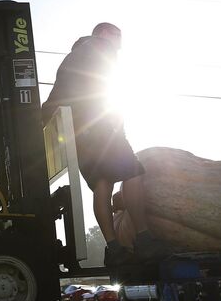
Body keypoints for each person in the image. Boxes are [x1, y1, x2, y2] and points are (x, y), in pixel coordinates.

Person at [41, 23, 165, 267]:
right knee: (133, 173)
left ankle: (114, 247)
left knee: (102, 183)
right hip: (101, 125)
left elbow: (54, 99)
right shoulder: (100, 47)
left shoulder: (71, 58)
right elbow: (108, 86)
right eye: (117, 36)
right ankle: (144, 239)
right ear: (105, 34)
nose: (119, 43)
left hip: (77, 132)